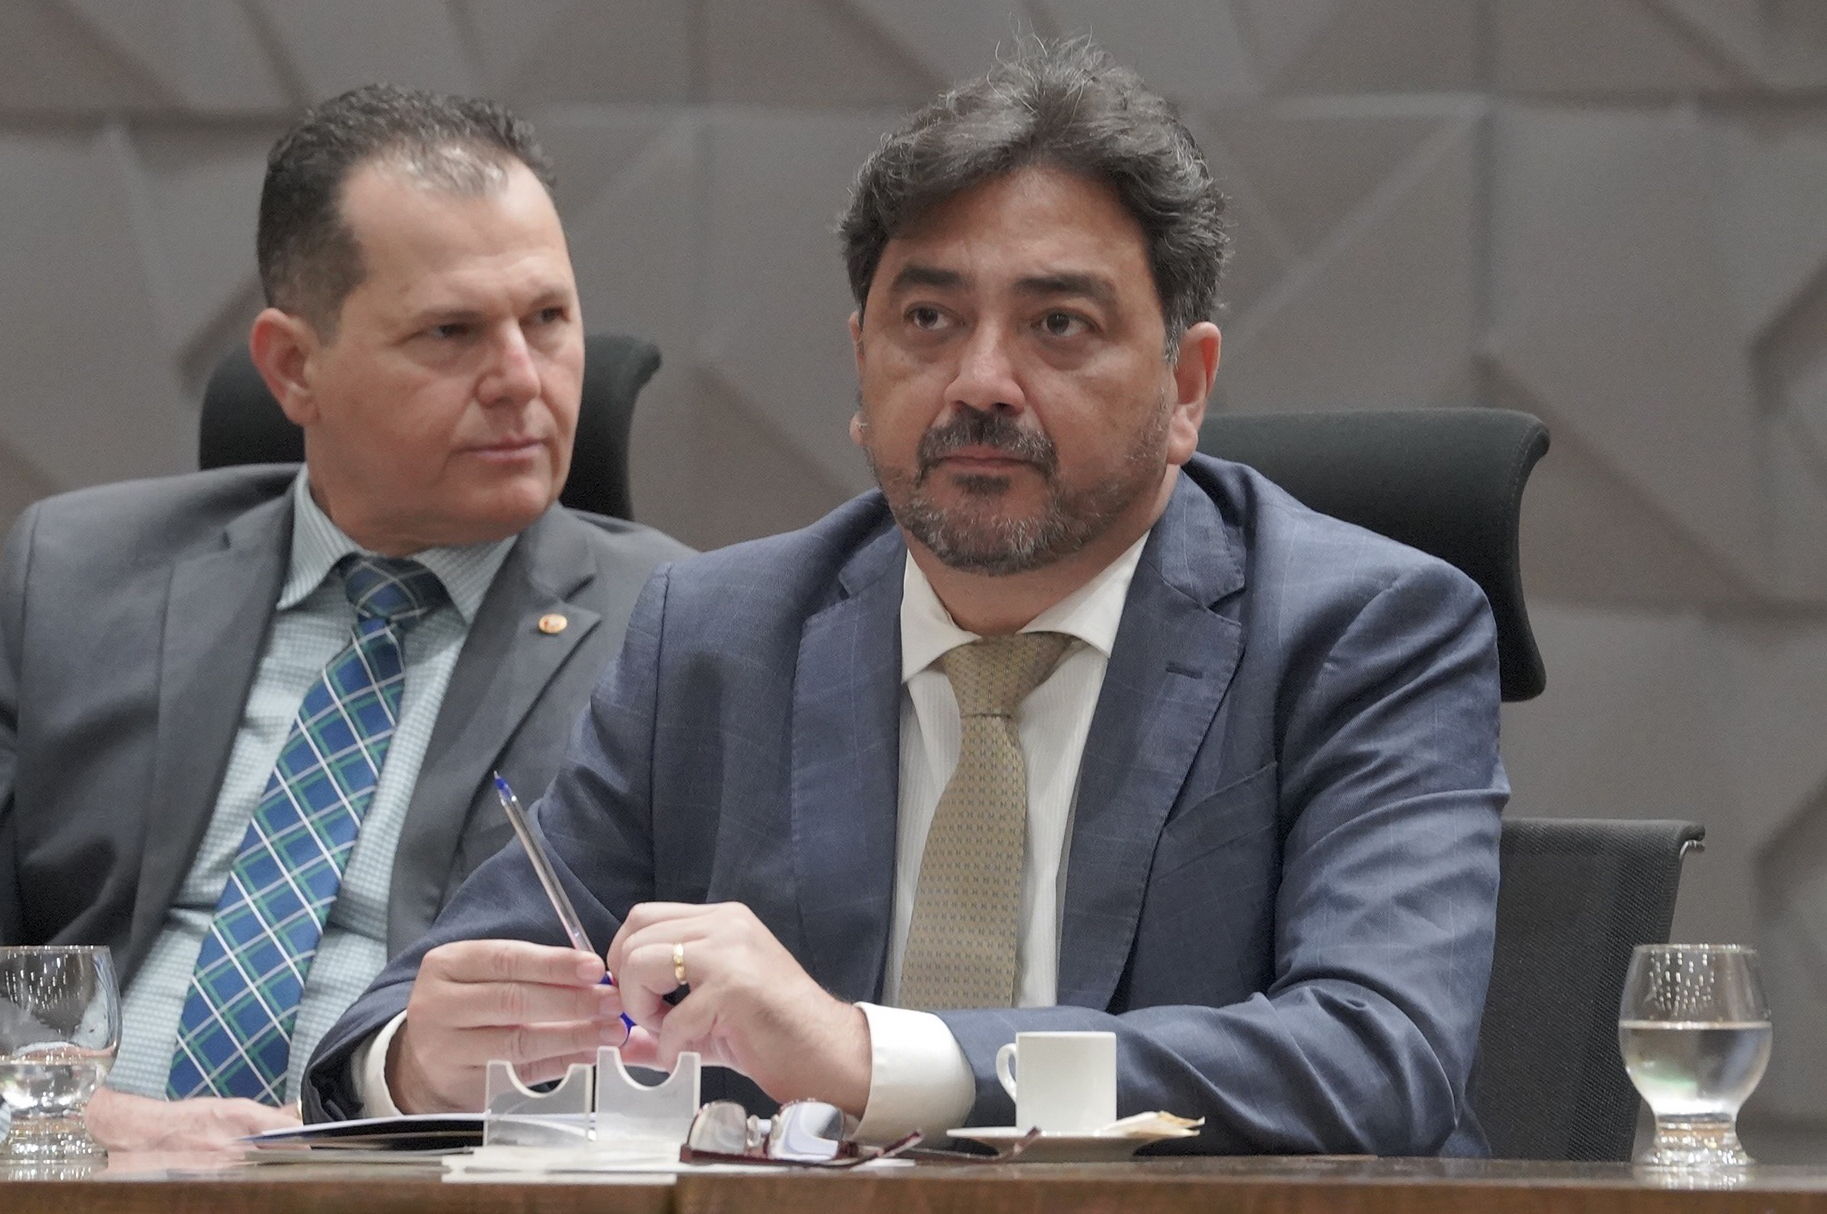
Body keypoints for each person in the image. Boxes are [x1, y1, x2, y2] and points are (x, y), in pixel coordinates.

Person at [306, 41, 1505, 1156]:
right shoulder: (714, 638)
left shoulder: (1367, 631)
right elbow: (402, 1012)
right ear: (861, 364)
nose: (980, 381)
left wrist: (873, 1055)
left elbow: (1376, 1055)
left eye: (1058, 324)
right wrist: (415, 1060)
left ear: (1185, 387)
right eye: (928, 320)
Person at [0, 84, 689, 1151]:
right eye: (451, 331)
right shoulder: (78, 577)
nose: (521, 378)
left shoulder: (679, 629)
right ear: (294, 366)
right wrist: (80, 1129)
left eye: (549, 319)